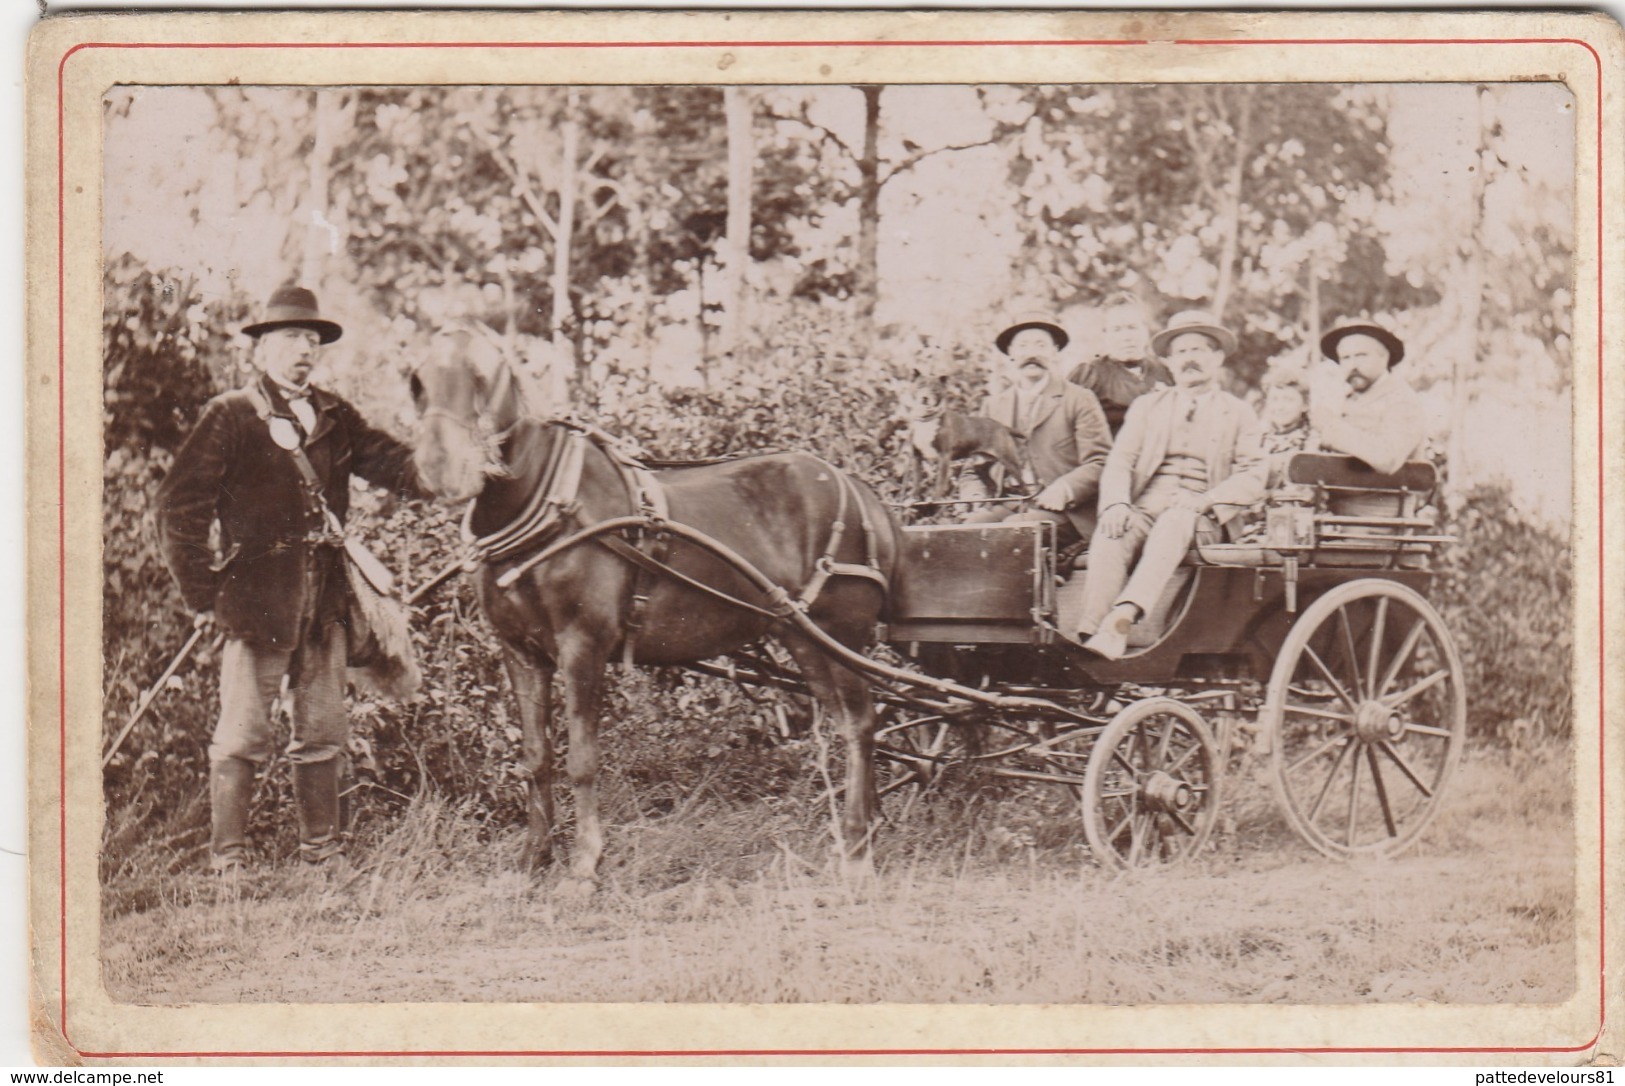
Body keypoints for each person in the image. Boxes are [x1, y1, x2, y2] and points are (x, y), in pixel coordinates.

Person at [156, 284, 428, 874]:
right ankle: (227, 860)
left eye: (311, 340)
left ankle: (321, 854)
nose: (302, 350)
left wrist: (450, 460)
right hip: (257, 599)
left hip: (325, 599)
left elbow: (397, 466)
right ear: (261, 349)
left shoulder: (334, 415)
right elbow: (179, 508)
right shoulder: (229, 414)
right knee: (243, 733)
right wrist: (202, 595)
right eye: (289, 339)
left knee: (324, 728)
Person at [1077, 310, 1265, 660]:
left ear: (1218, 357)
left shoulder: (1238, 412)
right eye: (1181, 352)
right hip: (1146, 507)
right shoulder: (1147, 407)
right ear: (1168, 361)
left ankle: (1123, 618)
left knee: (1176, 519)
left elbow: (1254, 476)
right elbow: (1120, 460)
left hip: (1203, 519)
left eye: (1199, 350)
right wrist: (1117, 503)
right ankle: (1091, 635)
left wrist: (1206, 500)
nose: (1190, 359)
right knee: (1113, 529)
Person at [964, 311, 1112, 550]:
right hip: (1010, 503)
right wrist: (974, 495)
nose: (1031, 353)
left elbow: (1100, 461)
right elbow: (973, 470)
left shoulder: (1079, 399)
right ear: (1011, 354)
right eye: (1023, 345)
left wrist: (1065, 489)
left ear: (1054, 352)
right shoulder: (993, 406)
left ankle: (1042, 582)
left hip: (1067, 511)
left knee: (1013, 533)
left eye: (1040, 345)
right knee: (966, 531)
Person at [1310, 322, 1427, 475]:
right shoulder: (1343, 399)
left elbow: (1388, 458)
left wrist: (1330, 427)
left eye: (1361, 356)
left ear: (1384, 357)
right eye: (1345, 358)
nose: (1353, 365)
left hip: (1383, 497)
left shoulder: (1401, 400)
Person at [1066, 291, 1174, 435]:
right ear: (1105, 334)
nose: (1126, 337)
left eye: (1132, 327)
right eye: (1117, 329)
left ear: (1145, 330)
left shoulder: (1166, 372)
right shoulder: (1088, 375)